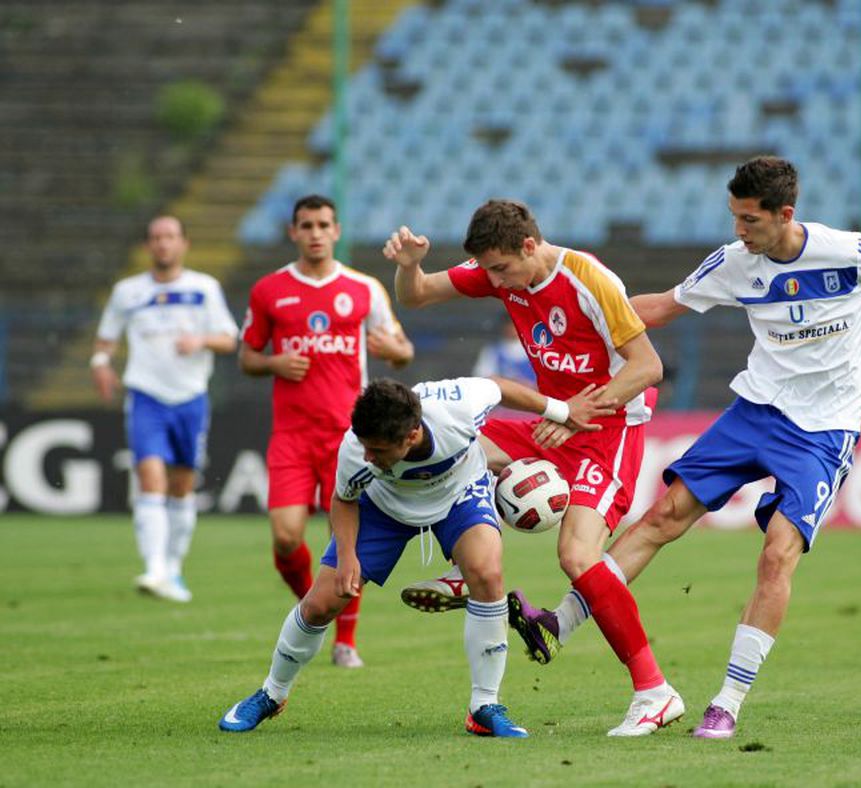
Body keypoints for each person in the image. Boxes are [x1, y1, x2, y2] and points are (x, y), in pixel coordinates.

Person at [506, 156, 861, 739]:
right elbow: (656, 309)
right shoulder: (733, 262)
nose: (738, 230)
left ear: (785, 215)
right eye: (734, 217)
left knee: (778, 552)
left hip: (824, 430)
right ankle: (558, 624)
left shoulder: (842, 249)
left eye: (749, 219)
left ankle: (726, 701)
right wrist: (573, 298)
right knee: (662, 518)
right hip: (755, 410)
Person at [387, 199, 684, 737]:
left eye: (500, 269)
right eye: (488, 271)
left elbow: (649, 366)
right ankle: (469, 568)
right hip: (552, 419)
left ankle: (654, 692)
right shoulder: (502, 273)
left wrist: (577, 417)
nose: (495, 280)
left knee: (576, 555)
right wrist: (409, 265)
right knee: (447, 441)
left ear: (529, 246)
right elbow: (418, 295)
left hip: (607, 431)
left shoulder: (591, 281)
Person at [217, 375, 613, 736]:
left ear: (410, 436)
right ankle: (271, 693)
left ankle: (485, 706)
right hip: (384, 508)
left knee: (487, 573)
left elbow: (497, 386)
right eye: (366, 448)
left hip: (459, 494)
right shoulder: (357, 449)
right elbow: (344, 500)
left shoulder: (456, 409)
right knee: (321, 604)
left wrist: (562, 411)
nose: (368, 456)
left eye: (378, 450)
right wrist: (349, 557)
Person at [240, 194, 414, 668]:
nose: (315, 233)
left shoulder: (363, 289)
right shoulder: (269, 291)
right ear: (292, 232)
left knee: (347, 542)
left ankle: (346, 640)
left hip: (350, 438)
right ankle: (315, 612)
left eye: (323, 225)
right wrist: (274, 361)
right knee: (285, 536)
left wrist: (393, 350)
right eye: (305, 225)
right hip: (292, 436)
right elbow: (247, 356)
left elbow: (403, 349)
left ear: (336, 231)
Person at [91, 215, 238, 602]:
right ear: (147, 246)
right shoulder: (127, 292)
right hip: (146, 396)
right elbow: (105, 340)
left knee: (181, 485)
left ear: (183, 244)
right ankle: (154, 568)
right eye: (156, 237)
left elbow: (228, 339)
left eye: (170, 236)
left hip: (190, 398)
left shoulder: (204, 288)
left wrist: (201, 339)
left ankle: (173, 569)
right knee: (150, 475)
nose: (162, 244)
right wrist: (101, 365)